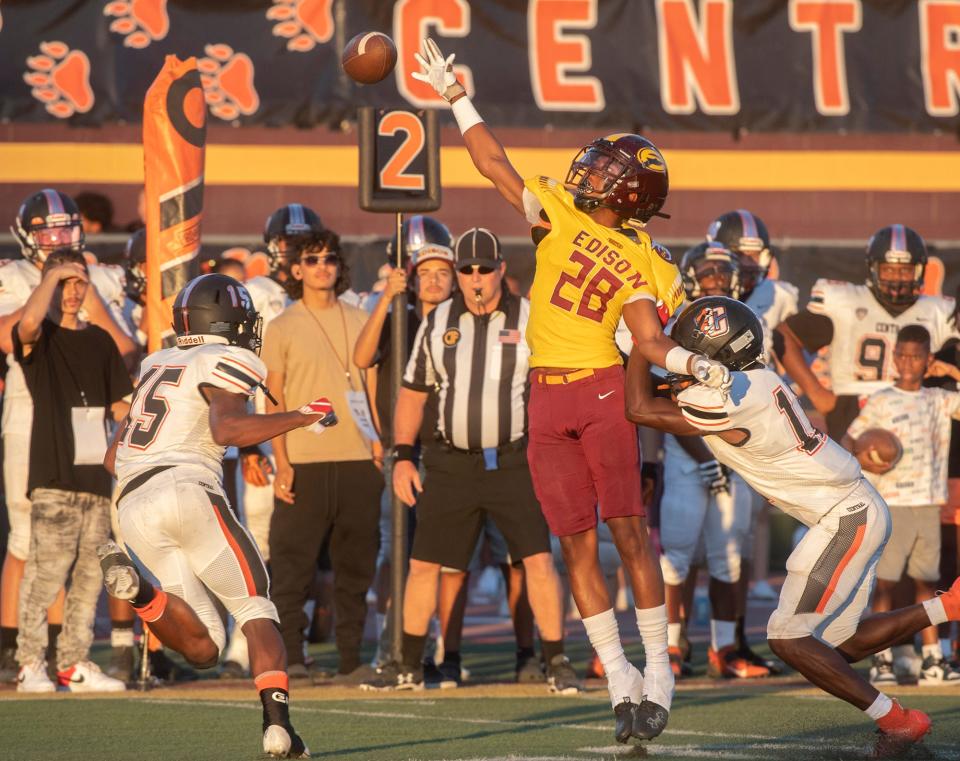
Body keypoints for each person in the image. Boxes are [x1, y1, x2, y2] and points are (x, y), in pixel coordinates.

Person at [412, 38, 729, 742]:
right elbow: (494, 165)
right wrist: (456, 98)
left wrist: (698, 366)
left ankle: (659, 667)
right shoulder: (556, 213)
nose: (587, 170)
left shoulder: (648, 257)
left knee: (629, 534)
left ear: (628, 191)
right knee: (575, 544)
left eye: (605, 169)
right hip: (545, 398)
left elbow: (651, 342)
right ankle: (617, 675)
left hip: (597, 392)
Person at [626, 295, 960, 759]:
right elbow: (665, 390)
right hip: (857, 508)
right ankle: (949, 608)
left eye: (691, 347)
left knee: (787, 636)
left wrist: (644, 341)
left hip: (843, 516)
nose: (681, 355)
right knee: (838, 642)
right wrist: (644, 349)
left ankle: (898, 721)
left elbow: (639, 407)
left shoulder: (734, 397)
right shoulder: (752, 381)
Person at [98, 273, 333, 758]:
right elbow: (227, 429)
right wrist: (301, 416)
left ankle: (139, 593)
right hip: (188, 487)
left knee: (203, 649)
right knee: (255, 607)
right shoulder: (227, 358)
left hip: (133, 505)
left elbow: (110, 458)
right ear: (224, 322)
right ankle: (279, 728)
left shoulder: (158, 362)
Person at [364, 227, 578, 694]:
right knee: (427, 565)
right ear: (459, 274)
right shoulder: (438, 322)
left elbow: (558, 383)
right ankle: (408, 662)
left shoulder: (530, 316)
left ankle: (556, 659)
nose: (476, 278)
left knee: (538, 560)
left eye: (484, 268)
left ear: (502, 269)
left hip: (515, 460)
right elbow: (413, 393)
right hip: (451, 463)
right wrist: (403, 456)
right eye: (467, 269)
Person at [0, 189, 134, 683]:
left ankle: (71, 659)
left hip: (90, 433)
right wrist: (53, 279)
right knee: (30, 543)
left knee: (88, 558)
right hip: (32, 416)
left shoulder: (94, 296)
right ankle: (20, 653)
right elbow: (16, 333)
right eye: (46, 233)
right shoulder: (17, 281)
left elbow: (122, 352)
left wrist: (84, 282)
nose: (56, 240)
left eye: (63, 231)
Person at [262, 233, 383, 683]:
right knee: (293, 569)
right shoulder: (281, 326)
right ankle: (292, 657)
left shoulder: (360, 316)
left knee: (355, 570)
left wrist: (378, 442)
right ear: (296, 270)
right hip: (304, 461)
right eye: (311, 260)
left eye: (330, 258)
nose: (322, 266)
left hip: (358, 461)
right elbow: (273, 399)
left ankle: (351, 660)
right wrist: (282, 458)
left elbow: (369, 386)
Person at [352, 215, 456, 670]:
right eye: (423, 273)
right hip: (404, 450)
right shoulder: (398, 317)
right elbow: (361, 358)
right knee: (396, 549)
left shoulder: (463, 322)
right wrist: (386, 301)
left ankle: (433, 643)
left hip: (450, 448)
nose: (432, 282)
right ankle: (387, 643)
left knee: (440, 553)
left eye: (441, 272)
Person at [658, 243, 762, 679]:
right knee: (676, 555)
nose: (715, 278)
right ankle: (669, 646)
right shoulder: (677, 323)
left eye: (722, 271)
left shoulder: (749, 322)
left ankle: (724, 648)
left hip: (732, 454)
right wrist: (702, 456)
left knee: (730, 557)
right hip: (687, 456)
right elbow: (666, 398)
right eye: (707, 271)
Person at [842, 324, 960, 685]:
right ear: (894, 357)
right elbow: (847, 441)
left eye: (917, 356)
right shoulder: (880, 400)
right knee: (887, 585)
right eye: (903, 355)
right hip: (891, 503)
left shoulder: (940, 398)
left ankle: (932, 659)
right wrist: (865, 461)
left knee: (927, 583)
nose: (909, 362)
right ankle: (882, 661)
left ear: (928, 360)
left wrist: (953, 372)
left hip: (928, 502)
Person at [776, 225, 957, 440]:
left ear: (918, 271)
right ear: (873, 268)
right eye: (888, 269)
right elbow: (785, 335)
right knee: (855, 472)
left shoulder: (939, 311)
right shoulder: (847, 302)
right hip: (854, 407)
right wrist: (816, 393)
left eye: (904, 270)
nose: (896, 278)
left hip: (916, 407)